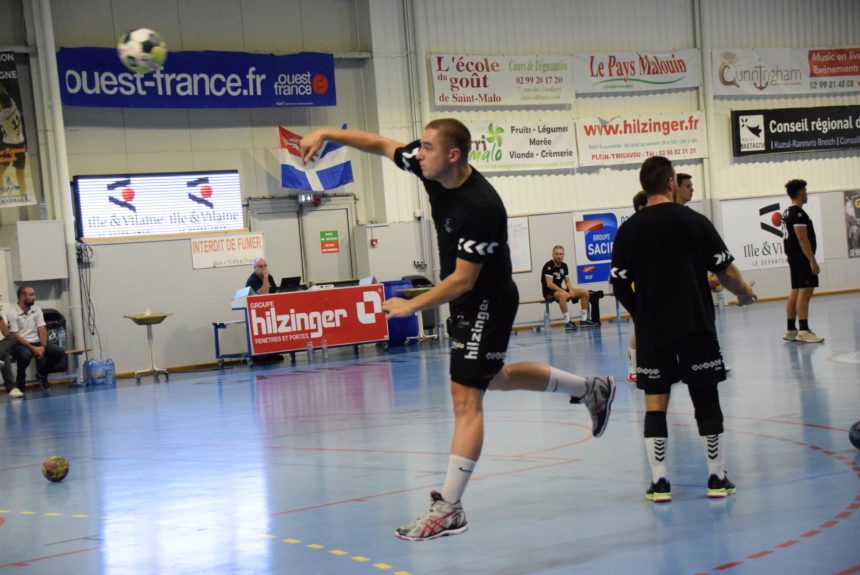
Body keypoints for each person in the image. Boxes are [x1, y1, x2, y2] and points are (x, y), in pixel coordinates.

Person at [301, 119, 615, 541]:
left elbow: (464, 280)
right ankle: (592, 389)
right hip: (467, 298)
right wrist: (326, 133)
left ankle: (449, 508)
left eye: (428, 147)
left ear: (453, 155)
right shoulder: (428, 168)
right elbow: (378, 142)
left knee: (466, 397)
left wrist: (411, 305)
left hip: (486, 298)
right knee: (494, 378)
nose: (419, 153)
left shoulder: (481, 207)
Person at [610, 156, 757, 503]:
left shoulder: (629, 230)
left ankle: (659, 482)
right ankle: (716, 477)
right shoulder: (694, 222)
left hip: (653, 329)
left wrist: (642, 314)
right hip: (695, 323)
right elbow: (725, 271)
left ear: (644, 186)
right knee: (705, 397)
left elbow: (619, 284)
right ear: (671, 182)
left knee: (655, 401)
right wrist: (743, 293)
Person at [782, 179, 824, 344]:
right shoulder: (798, 213)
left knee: (795, 291)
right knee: (805, 292)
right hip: (801, 257)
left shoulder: (787, 212)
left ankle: (791, 330)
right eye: (805, 190)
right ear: (800, 192)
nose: (807, 194)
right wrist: (812, 260)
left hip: (794, 257)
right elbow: (802, 239)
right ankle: (804, 330)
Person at [7, 286, 66, 392]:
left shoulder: (36, 309)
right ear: (22, 297)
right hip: (19, 344)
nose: (34, 297)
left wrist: (43, 346)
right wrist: (33, 349)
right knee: (25, 355)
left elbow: (42, 330)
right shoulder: (12, 312)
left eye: (34, 294)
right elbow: (15, 336)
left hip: (37, 342)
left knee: (60, 352)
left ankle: (42, 373)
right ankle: (20, 380)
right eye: (31, 295)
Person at [541, 245, 599, 331]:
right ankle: (568, 322)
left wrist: (570, 290)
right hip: (549, 292)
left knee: (585, 292)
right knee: (563, 295)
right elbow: (550, 284)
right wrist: (564, 292)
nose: (559, 256)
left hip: (560, 289)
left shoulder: (564, 265)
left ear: (563, 255)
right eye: (557, 254)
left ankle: (583, 320)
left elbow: (567, 281)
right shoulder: (548, 266)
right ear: (552, 255)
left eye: (561, 254)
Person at [626, 191, 648, 383]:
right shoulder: (633, 229)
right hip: (638, 285)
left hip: (651, 283)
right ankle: (633, 369)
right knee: (641, 327)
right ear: (641, 207)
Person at [0, 82, 27, 197]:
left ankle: (1, 193)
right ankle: (23, 195)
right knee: (20, 172)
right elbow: (4, 93)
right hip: (20, 143)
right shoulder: (13, 104)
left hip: (9, 145)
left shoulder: (3, 115)